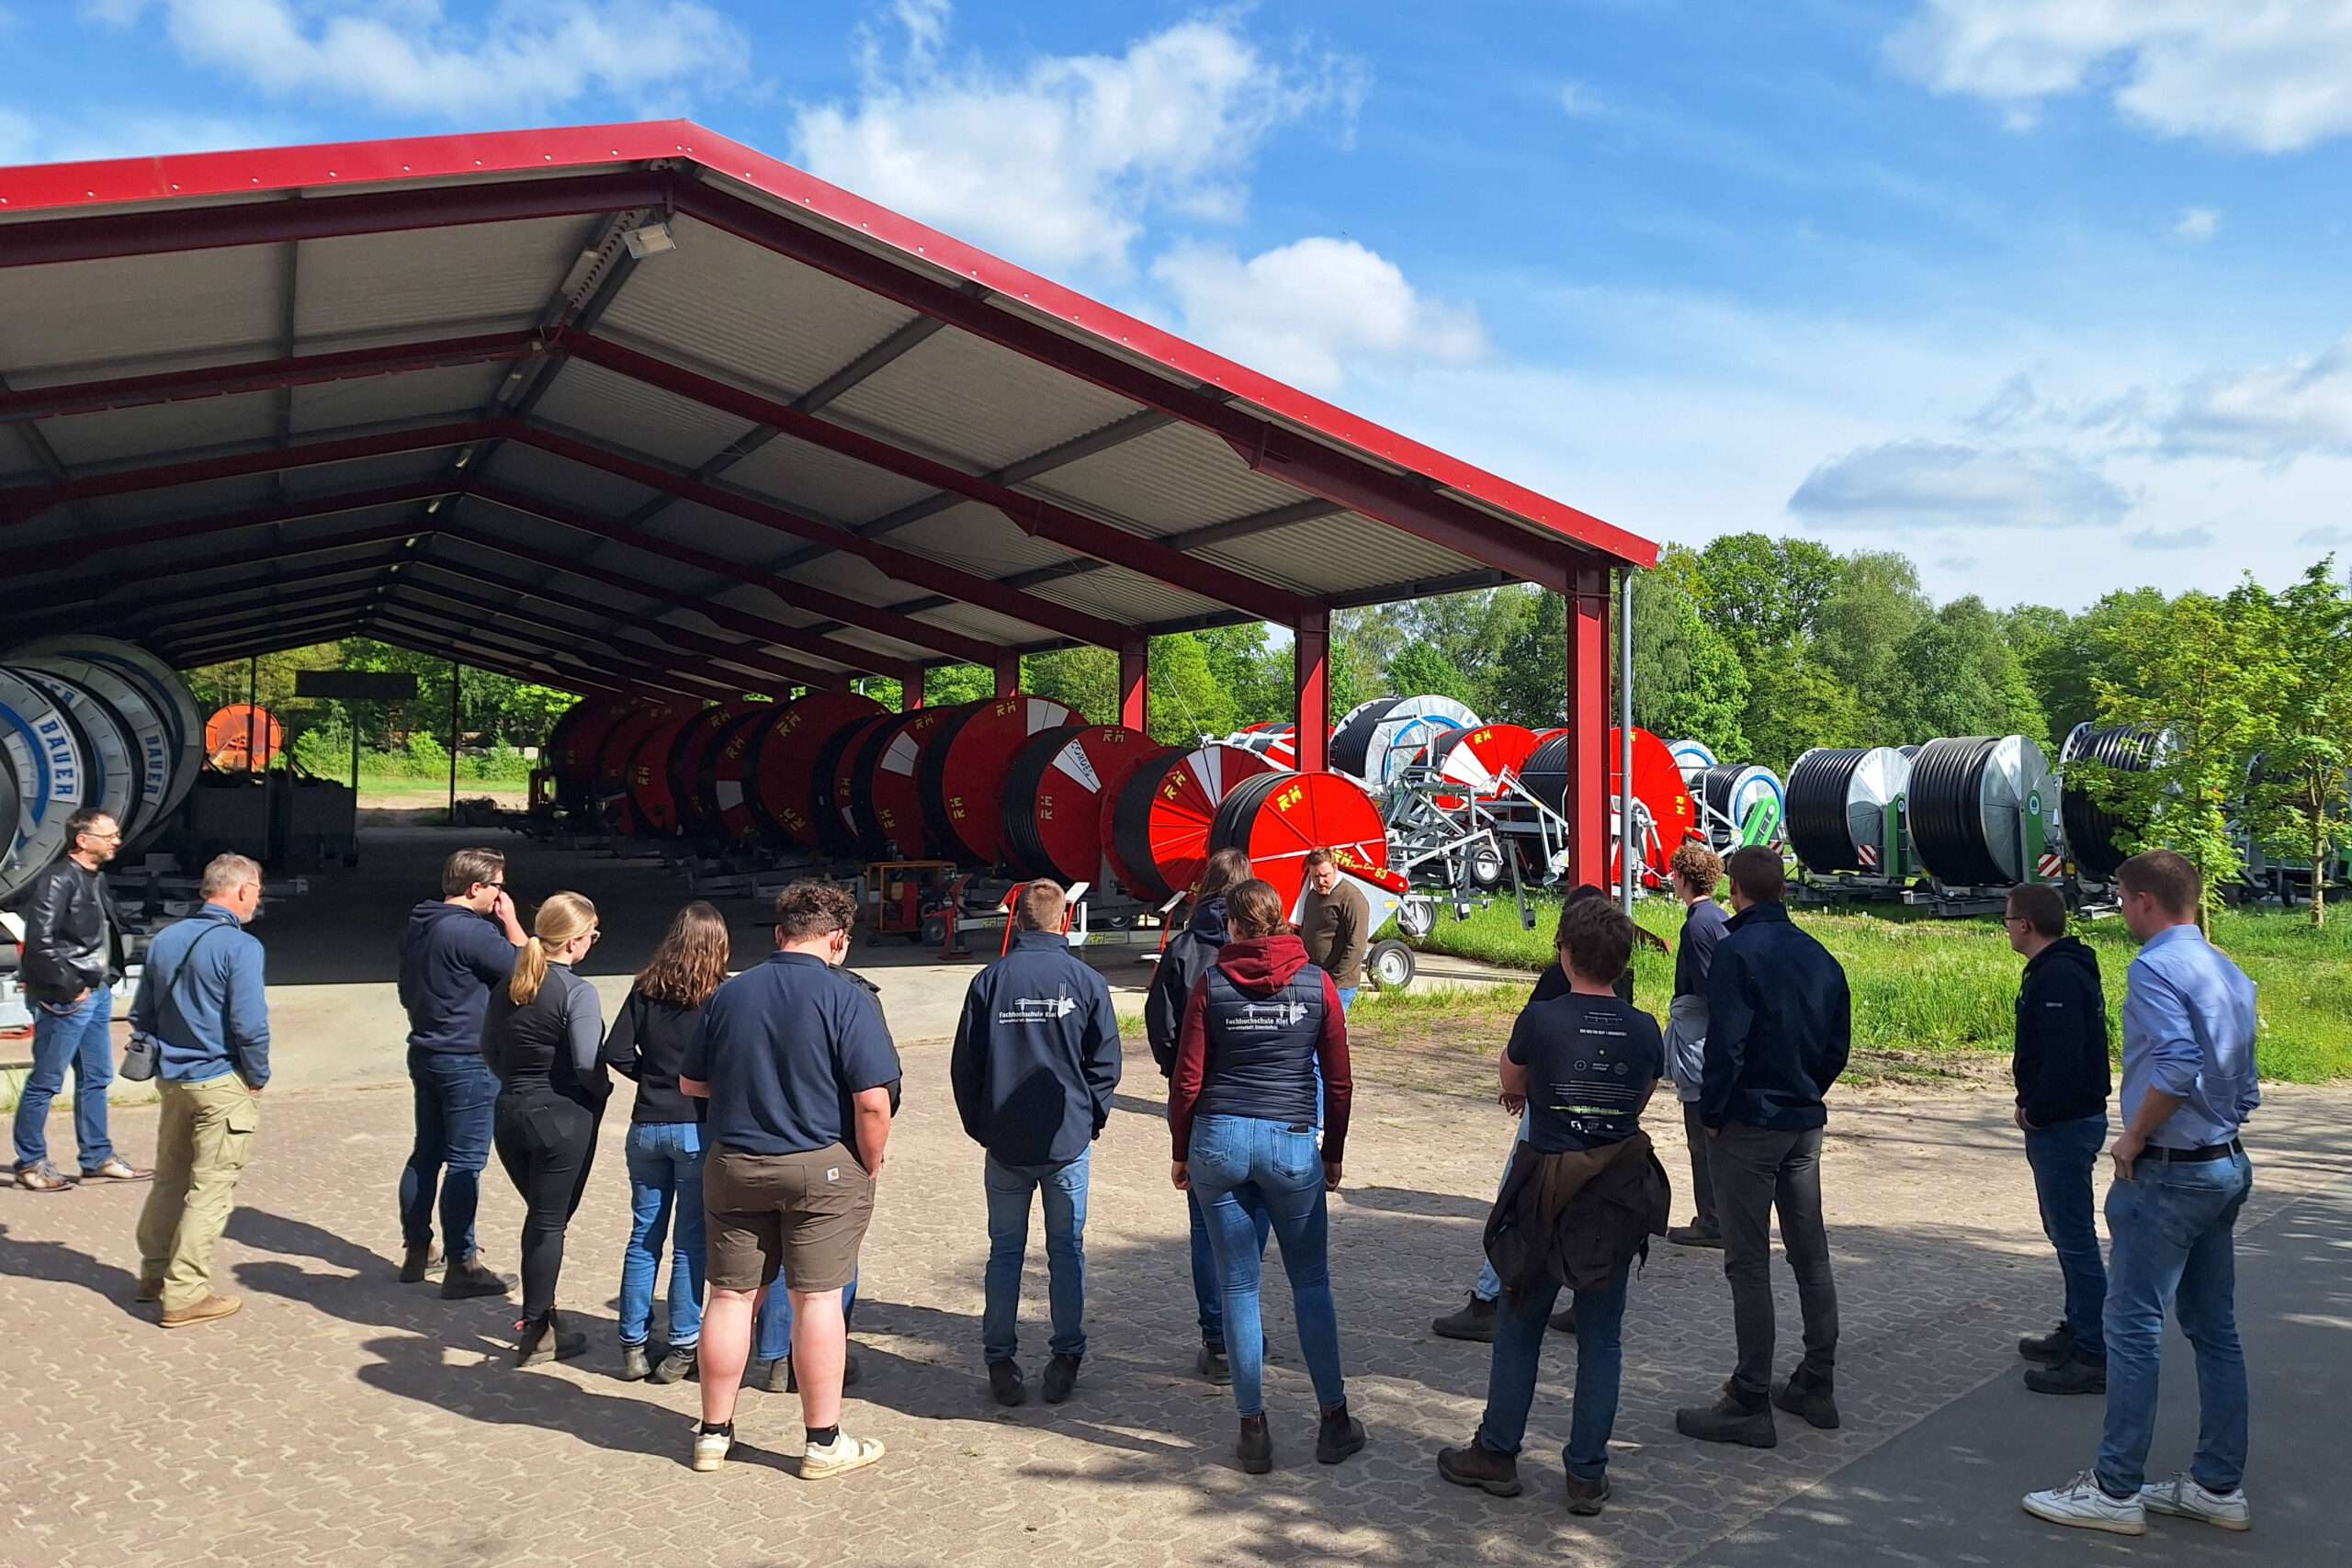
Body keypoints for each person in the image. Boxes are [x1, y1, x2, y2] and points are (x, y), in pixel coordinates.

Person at [2023, 851, 2258, 1537]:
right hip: (2223, 1164)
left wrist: (2132, 1139)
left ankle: (2115, 1487)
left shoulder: (2155, 966)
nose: (2121, 910)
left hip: (2168, 1170)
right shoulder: (2226, 967)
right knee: (2215, 1331)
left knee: (2132, 1329)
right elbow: (2241, 1074)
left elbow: (2179, 1063)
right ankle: (2218, 1483)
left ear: (2145, 901)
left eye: (2123, 899)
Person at [1437, 897, 1668, 1516]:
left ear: (1565, 953)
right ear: (1623, 961)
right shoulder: (1646, 1029)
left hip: (1544, 1186)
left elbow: (1511, 1082)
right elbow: (1641, 1096)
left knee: (1519, 1323)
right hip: (1614, 1192)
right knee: (1602, 1339)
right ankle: (1587, 1473)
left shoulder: (1540, 1019)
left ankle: (1497, 1451)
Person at [684, 881, 899, 1481]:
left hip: (735, 1162)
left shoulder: (729, 994)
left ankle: (713, 1433)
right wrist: (870, 1161)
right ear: (838, 940)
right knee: (818, 1298)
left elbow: (691, 1084)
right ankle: (821, 1439)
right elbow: (873, 1101)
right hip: (821, 1165)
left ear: (779, 934)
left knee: (728, 1296)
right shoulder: (847, 997)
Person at [1170, 878, 1363, 1475]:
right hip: (1290, 1144)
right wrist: (1333, 1151)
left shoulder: (1211, 982)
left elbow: (1187, 1081)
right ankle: (1333, 1421)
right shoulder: (1318, 983)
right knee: (1311, 1281)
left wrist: (1181, 1149)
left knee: (1239, 1288)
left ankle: (1254, 1430)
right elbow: (1338, 1080)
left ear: (1231, 926)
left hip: (1221, 1144)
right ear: (1282, 923)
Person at [1675, 845, 1850, 1450]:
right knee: (1811, 1253)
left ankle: (1750, 1396)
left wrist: (1716, 1113)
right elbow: (1837, 1045)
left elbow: (1727, 1044)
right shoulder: (1821, 956)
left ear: (1739, 894)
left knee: (1748, 1262)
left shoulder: (1735, 951)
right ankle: (1817, 1380)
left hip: (1750, 1121)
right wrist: (1808, 1090)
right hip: (1803, 1119)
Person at [1432, 885, 1633, 1342]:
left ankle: (1491, 1296)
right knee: (1591, 1208)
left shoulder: (1554, 979)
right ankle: (1588, 1298)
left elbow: (1523, 1049)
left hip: (1550, 1110)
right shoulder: (1621, 982)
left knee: (1516, 1200)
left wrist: (1518, 1089)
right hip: (1608, 1117)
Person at [951, 880, 1122, 1406]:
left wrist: (984, 1126)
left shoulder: (989, 982)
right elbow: (1106, 1065)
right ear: (1063, 921)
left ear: (1018, 922)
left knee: (1005, 1252)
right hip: (1066, 1141)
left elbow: (965, 1068)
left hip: (1005, 1144)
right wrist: (1088, 1119)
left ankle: (1000, 1360)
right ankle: (1066, 1354)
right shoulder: (1086, 981)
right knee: (1065, 1250)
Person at [1145, 846, 1269, 1383]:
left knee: (1204, 1224)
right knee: (1258, 1213)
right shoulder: (1274, 952)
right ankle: (1249, 1324)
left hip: (1200, 1101)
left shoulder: (1183, 948)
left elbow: (1161, 1021)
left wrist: (1177, 1071)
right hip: (1262, 1097)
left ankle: (1218, 1340)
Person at [130, 854, 269, 1327]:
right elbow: (249, 1024)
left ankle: (153, 1273)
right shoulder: (240, 946)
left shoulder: (166, 939)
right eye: (258, 890)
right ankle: (186, 1292)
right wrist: (258, 1075)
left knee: (170, 1179)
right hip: (220, 1081)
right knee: (211, 1189)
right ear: (243, 890)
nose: (259, 898)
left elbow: (142, 1011)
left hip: (173, 1081)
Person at [605, 900, 729, 1384]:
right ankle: (682, 1344)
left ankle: (632, 1344)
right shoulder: (721, 995)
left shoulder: (645, 987)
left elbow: (615, 1051)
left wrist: (651, 1079)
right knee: (690, 1242)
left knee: (643, 1238)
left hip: (647, 1125)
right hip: (696, 1127)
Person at [396, 847, 526, 1298]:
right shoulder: (472, 932)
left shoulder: (421, 924)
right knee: (466, 1163)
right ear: (476, 888)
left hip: (426, 1050)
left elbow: (405, 989)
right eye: (498, 887)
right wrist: (511, 923)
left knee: (426, 1153)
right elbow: (527, 972)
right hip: (468, 1058)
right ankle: (462, 1263)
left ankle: (417, 1249)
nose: (501, 896)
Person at [484, 892, 608, 1366]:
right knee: (549, 1222)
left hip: (510, 1112)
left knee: (541, 1218)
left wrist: (517, 1086)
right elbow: (583, 1061)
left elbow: (489, 1049)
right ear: (575, 941)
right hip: (561, 1118)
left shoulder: (511, 984)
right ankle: (537, 1327)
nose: (592, 943)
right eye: (592, 935)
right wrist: (601, 1091)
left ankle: (544, 1317)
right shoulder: (577, 992)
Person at [2004, 881, 2111, 1397]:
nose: (2005, 928)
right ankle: (2080, 1326)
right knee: (2064, 1231)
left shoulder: (2060, 976)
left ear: (2025, 924)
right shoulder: (2056, 970)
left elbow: (2065, 1059)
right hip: (2064, 1120)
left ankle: (2093, 1351)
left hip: (2065, 1123)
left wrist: (2037, 1112)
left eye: (2007, 920)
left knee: (2073, 1236)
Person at [12, 807, 143, 1190]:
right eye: (109, 835)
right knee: (47, 1081)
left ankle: (97, 1157)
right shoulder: (57, 880)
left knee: (97, 1077)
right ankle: (31, 1163)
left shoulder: (96, 879)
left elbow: (105, 931)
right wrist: (72, 986)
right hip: (67, 997)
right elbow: (40, 942)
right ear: (83, 841)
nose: (117, 841)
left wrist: (105, 979)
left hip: (96, 991)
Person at [1663, 843, 1730, 1247]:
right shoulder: (1717, 917)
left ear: (1685, 879)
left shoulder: (1698, 925)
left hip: (1701, 1040)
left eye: (1674, 874)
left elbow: (1711, 988)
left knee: (1700, 1133)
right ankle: (1717, 1214)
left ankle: (1712, 1221)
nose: (1671, 880)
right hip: (1710, 1038)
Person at [1297, 848, 1371, 1010]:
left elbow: (1357, 946)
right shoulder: (1312, 896)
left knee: (1333, 1032)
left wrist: (1334, 981)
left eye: (1325, 875)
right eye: (1315, 876)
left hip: (1340, 985)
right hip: (1314, 979)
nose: (1320, 881)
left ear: (1335, 869)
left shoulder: (1352, 898)